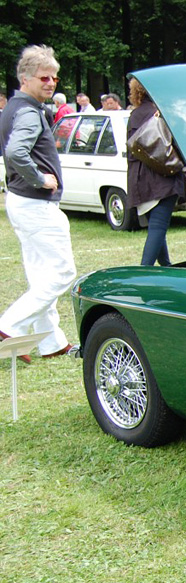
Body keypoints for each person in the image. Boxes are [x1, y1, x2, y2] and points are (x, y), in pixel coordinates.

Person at [0, 45, 77, 361]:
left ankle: (52, 343)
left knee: (40, 273)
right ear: (25, 78)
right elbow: (16, 153)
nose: (51, 83)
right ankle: (8, 328)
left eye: (55, 78)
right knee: (62, 273)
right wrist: (40, 179)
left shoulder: (14, 108)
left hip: (20, 201)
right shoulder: (29, 112)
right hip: (35, 202)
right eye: (44, 77)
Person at [126, 77, 186, 267]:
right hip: (164, 177)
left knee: (156, 227)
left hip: (140, 180)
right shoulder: (163, 113)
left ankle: (166, 267)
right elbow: (180, 146)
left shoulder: (135, 114)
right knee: (158, 227)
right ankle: (144, 271)